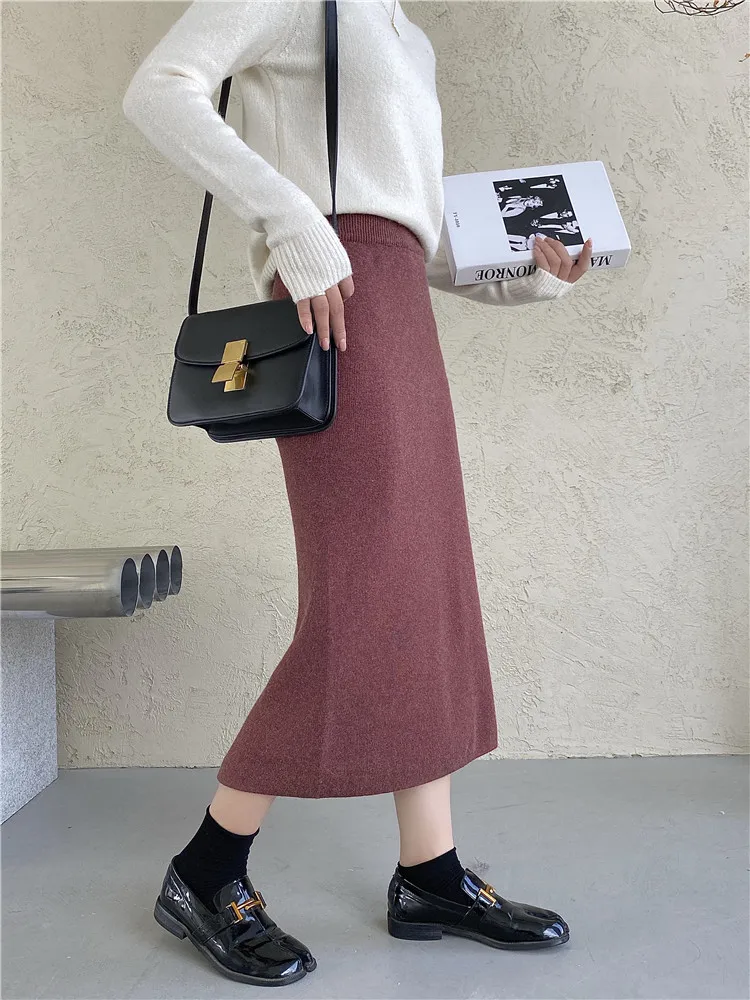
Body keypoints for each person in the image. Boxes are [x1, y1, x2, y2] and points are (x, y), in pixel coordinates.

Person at [123, 0, 592, 987]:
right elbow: (158, 90)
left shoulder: (408, 35)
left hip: (398, 306)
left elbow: (415, 236)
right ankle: (206, 869)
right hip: (331, 303)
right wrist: (291, 222)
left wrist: (535, 274)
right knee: (363, 600)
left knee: (422, 590)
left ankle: (430, 872)